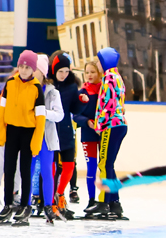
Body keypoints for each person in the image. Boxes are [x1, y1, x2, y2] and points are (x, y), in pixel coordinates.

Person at [0, 49, 46, 227]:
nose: (23, 70)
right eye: (21, 66)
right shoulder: (10, 83)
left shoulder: (37, 88)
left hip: (28, 133)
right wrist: (1, 134)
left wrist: (36, 142)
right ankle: (8, 204)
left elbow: (40, 119)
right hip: (12, 131)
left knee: (24, 170)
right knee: (9, 169)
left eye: (27, 67)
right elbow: (2, 111)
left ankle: (25, 205)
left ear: (33, 69)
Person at [89, 47, 128, 220]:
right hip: (118, 124)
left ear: (106, 61)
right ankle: (114, 203)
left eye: (99, 60)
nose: (97, 64)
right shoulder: (116, 77)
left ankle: (104, 202)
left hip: (111, 125)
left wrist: (100, 125)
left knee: (104, 164)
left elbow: (109, 104)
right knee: (109, 165)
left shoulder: (109, 78)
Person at [30, 54, 65, 223]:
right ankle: (26, 205)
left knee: (47, 171)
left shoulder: (53, 92)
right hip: (29, 137)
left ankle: (48, 206)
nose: (31, 71)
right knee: (28, 171)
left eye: (35, 69)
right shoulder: (26, 88)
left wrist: (43, 113)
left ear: (43, 72)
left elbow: (60, 115)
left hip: (47, 138)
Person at [49, 51, 80, 217]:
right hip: (51, 132)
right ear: (54, 70)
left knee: (69, 165)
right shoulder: (48, 86)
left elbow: (75, 109)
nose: (63, 74)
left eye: (66, 71)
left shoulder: (72, 87)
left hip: (67, 131)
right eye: (60, 71)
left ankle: (60, 194)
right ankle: (50, 202)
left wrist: (82, 102)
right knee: (52, 168)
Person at [74, 58, 103, 214]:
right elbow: (75, 115)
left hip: (104, 134)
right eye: (87, 72)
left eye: (93, 72)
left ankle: (105, 200)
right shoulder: (82, 92)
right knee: (91, 168)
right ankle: (92, 200)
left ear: (99, 73)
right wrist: (87, 122)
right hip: (88, 135)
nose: (89, 75)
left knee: (104, 167)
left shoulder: (105, 91)